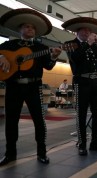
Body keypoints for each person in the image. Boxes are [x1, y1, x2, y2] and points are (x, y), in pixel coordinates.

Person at [0, 8, 62, 165]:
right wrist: (1, 56)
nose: (30, 29)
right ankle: (10, 154)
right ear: (20, 29)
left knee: (39, 120)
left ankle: (42, 153)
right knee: (11, 122)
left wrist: (54, 56)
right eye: (27, 26)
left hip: (34, 87)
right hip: (13, 87)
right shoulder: (9, 45)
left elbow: (48, 66)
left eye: (33, 27)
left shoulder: (41, 49)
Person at [61, 17, 97, 155]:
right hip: (81, 81)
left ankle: (96, 142)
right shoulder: (70, 44)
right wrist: (87, 43)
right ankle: (82, 143)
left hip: (96, 82)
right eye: (84, 30)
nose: (87, 32)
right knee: (81, 114)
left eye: (89, 30)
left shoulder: (94, 45)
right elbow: (76, 58)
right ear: (77, 31)